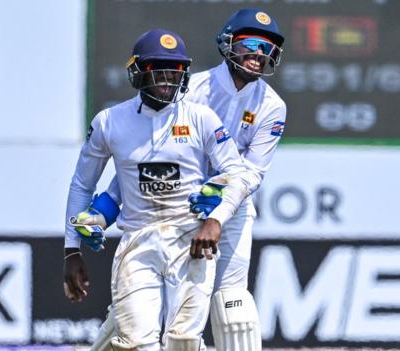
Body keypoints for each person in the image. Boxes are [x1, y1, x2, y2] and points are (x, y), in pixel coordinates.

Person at [79, 8, 287, 351]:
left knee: (232, 304)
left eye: (267, 49)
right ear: (229, 43)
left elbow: (251, 173)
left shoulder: (272, 106)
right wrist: (109, 203)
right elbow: (147, 156)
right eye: (251, 43)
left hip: (230, 213)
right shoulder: (192, 88)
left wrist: (217, 213)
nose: (258, 54)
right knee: (136, 314)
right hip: (172, 207)